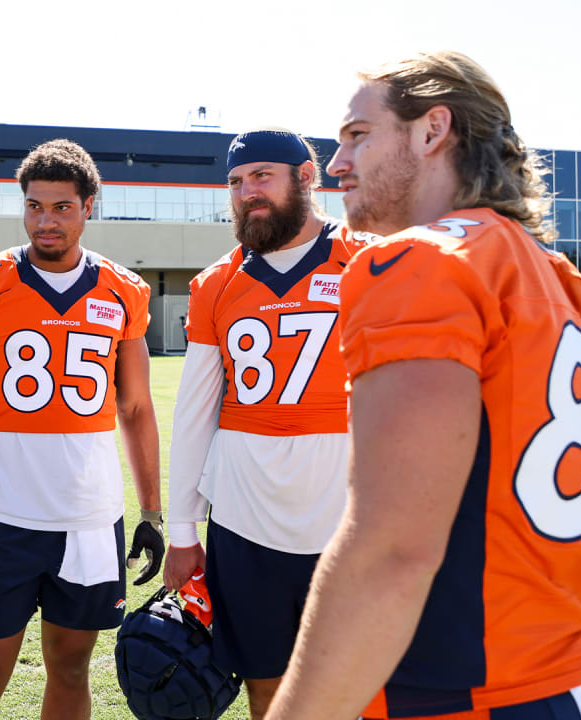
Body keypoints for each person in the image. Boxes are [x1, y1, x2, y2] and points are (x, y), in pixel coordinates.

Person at [265, 51, 581, 720]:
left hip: (478, 697)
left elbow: (391, 551)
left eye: (358, 135)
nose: (336, 163)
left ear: (432, 130)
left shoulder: (425, 261)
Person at [0, 138, 166, 720]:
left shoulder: (123, 289)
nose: (46, 220)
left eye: (61, 206)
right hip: (2, 519)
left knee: (70, 668)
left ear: (90, 205)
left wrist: (151, 513)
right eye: (35, 206)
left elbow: (135, 409)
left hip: (90, 520)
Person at [162, 129, 374, 720]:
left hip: (349, 516)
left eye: (261, 176)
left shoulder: (370, 259)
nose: (245, 192)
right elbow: (194, 412)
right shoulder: (215, 283)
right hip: (244, 516)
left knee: (364, 689)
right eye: (234, 181)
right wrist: (182, 529)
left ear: (307, 177)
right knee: (267, 687)